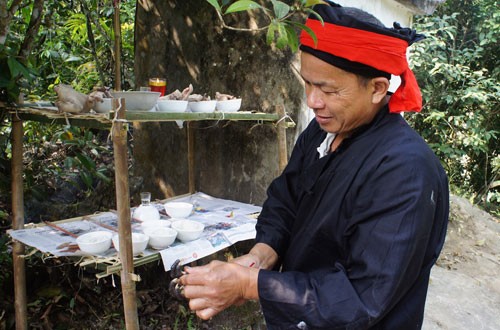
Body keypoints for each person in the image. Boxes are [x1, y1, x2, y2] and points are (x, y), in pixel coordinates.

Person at [176, 2, 449, 329]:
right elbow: (286, 200)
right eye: (307, 83)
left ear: (377, 88)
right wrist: (261, 256)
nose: (312, 101)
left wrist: (251, 285)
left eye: (328, 89)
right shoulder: (323, 131)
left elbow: (362, 297)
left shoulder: (405, 172)